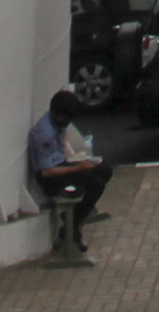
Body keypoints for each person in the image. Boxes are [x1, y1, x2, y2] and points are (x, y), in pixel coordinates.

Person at [26, 89, 108, 246]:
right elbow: (46, 171)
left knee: (104, 170)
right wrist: (78, 168)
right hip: (50, 177)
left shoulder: (58, 124)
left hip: (60, 166)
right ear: (57, 114)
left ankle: (75, 219)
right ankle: (72, 227)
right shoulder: (45, 135)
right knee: (96, 184)